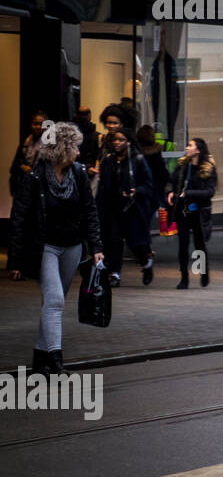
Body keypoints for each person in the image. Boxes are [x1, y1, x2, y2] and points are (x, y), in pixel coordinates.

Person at [8, 122, 104, 376]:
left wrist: (96, 247)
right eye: (74, 147)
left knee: (52, 304)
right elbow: (19, 217)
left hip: (72, 248)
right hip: (45, 248)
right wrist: (15, 260)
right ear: (62, 148)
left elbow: (89, 211)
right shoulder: (34, 178)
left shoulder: (80, 173)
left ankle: (40, 361)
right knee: (55, 301)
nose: (79, 152)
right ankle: (56, 361)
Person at [96, 129, 154, 286]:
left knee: (135, 243)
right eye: (114, 140)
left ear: (128, 141)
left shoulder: (138, 159)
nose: (116, 142)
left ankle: (146, 263)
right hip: (113, 207)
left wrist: (138, 191)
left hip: (132, 207)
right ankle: (114, 274)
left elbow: (149, 184)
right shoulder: (108, 160)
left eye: (120, 140)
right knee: (114, 240)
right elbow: (103, 186)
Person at [169, 137, 217, 288]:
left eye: (190, 145)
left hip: (199, 211)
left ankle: (202, 272)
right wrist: (170, 192)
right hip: (183, 210)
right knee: (183, 244)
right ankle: (184, 278)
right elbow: (171, 181)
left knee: (199, 244)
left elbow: (209, 192)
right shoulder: (183, 164)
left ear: (198, 150)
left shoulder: (207, 168)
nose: (187, 148)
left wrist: (189, 193)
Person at [9, 110, 46, 198]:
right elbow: (13, 168)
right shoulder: (25, 143)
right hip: (24, 186)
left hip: (41, 188)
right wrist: (22, 167)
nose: (37, 127)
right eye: (35, 124)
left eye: (41, 124)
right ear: (31, 125)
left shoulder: (49, 145)